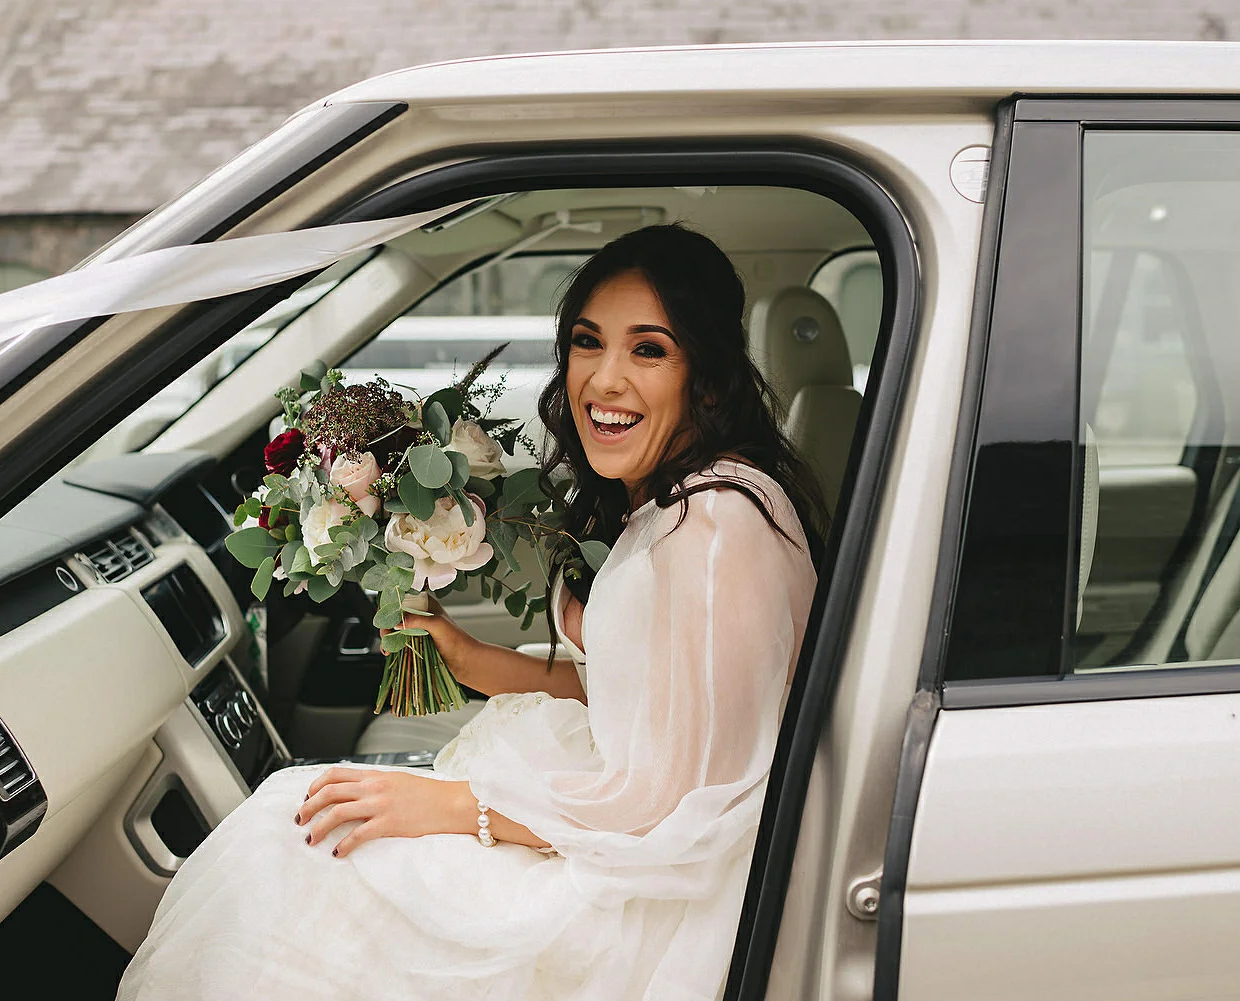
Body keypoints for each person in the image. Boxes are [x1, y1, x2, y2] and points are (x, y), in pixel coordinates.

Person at [117, 224, 826, 1001]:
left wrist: (459, 809)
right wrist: (463, 654)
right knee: (297, 825)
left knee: (286, 843)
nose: (605, 379)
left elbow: (682, 800)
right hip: (618, 832)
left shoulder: (720, 525)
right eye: (589, 343)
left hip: (649, 896)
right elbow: (654, 702)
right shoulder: (685, 502)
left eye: (648, 349)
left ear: (710, 380)